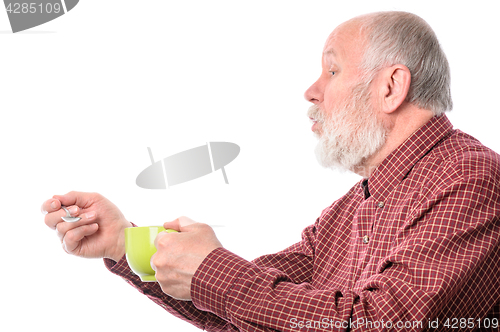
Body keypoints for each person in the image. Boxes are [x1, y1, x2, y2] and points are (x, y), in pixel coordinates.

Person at [42, 11, 500, 331]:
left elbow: (379, 323)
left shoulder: (472, 179)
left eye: (332, 71)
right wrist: (126, 242)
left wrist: (211, 272)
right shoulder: (346, 212)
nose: (311, 91)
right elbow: (246, 310)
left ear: (391, 86)